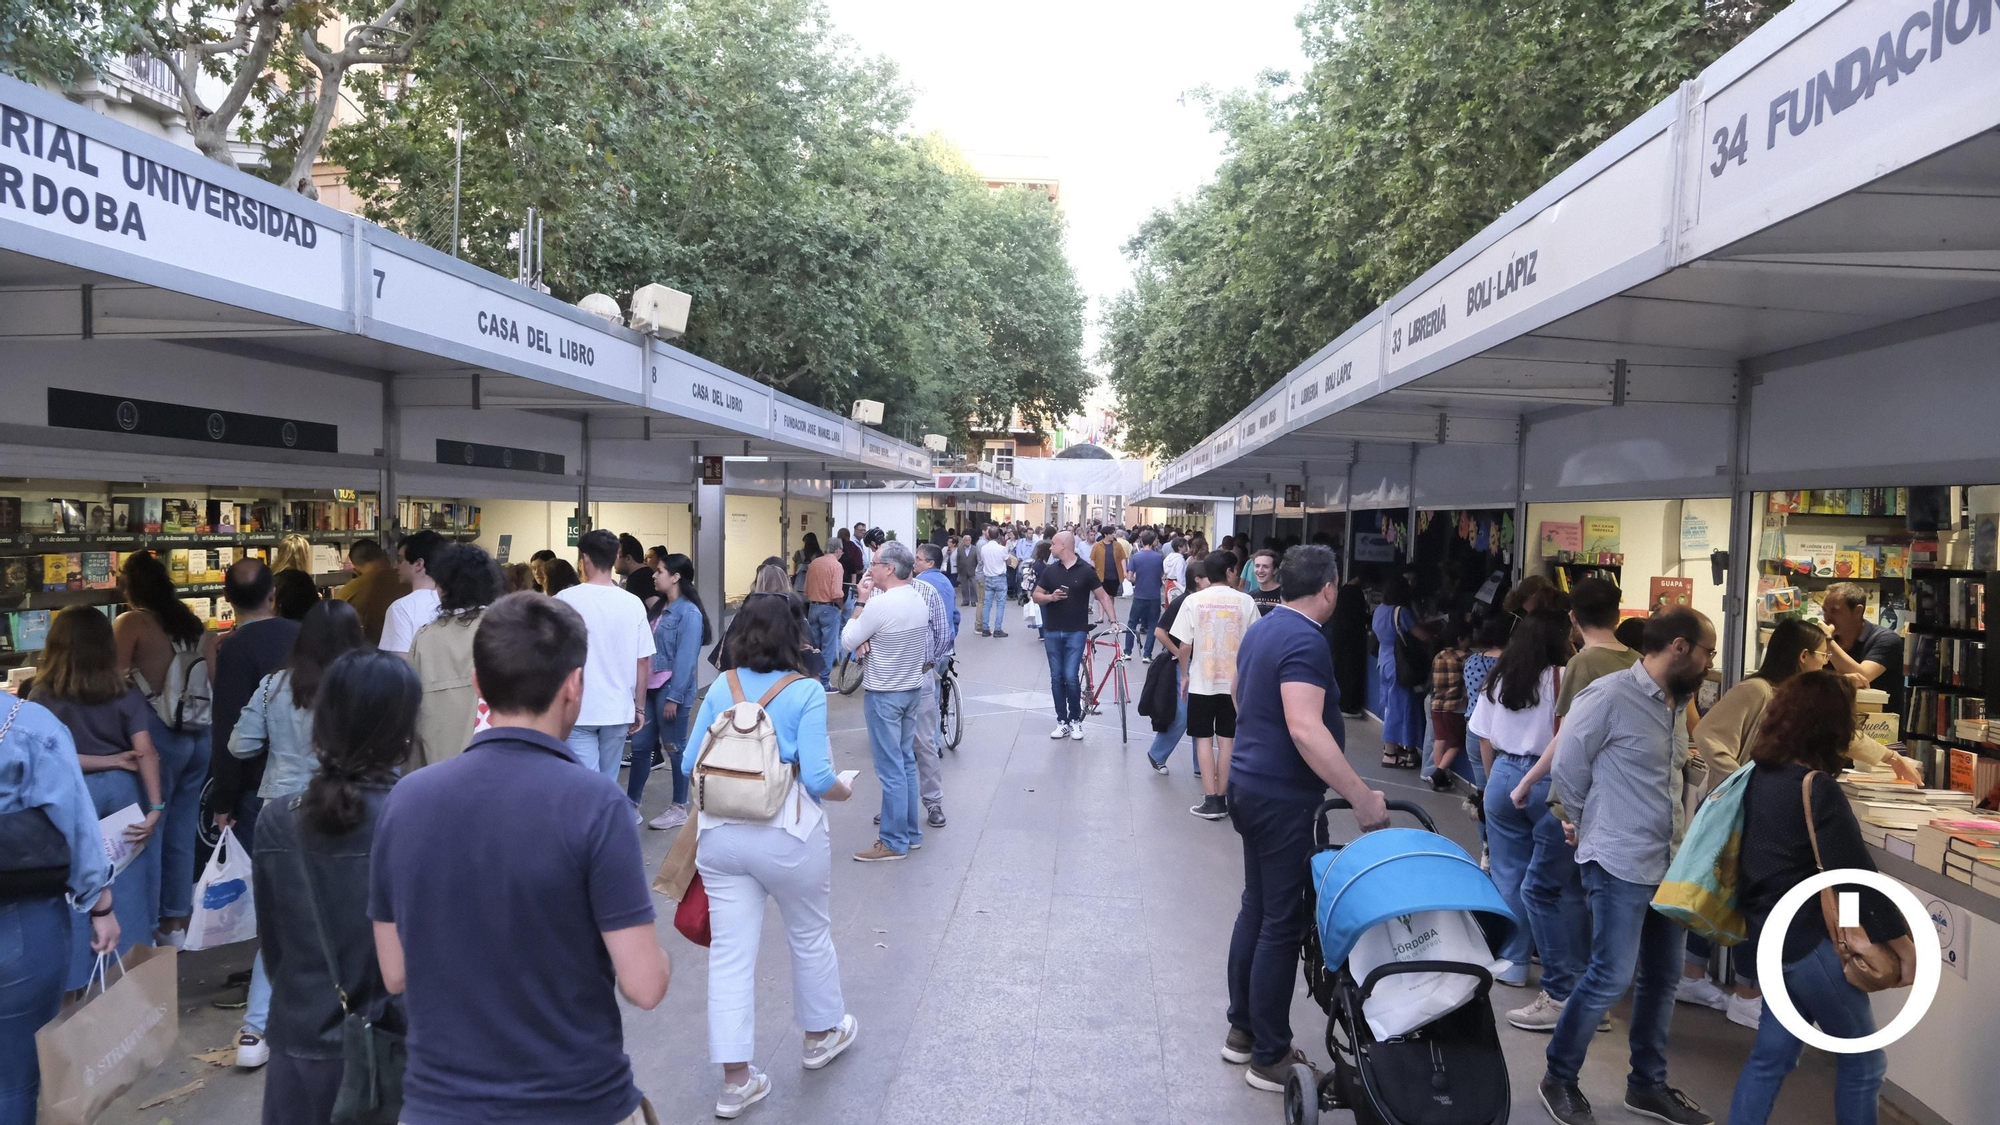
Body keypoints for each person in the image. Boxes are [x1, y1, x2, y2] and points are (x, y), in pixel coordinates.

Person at [370, 592, 670, 1125]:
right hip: (577, 1101)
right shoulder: (596, 805)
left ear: (479, 684)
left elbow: (394, 973)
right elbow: (645, 986)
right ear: (574, 684)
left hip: (440, 1105)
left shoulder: (408, 800)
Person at [1539, 607, 1718, 1125]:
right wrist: (1580, 822)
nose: (1710, 663)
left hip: (1669, 862)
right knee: (1609, 977)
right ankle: (1560, 1077)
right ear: (1680, 647)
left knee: (1662, 979)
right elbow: (1568, 766)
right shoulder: (1610, 695)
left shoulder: (1677, 703)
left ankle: (1647, 1086)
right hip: (1617, 859)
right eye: (1708, 651)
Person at [1222, 545, 1390, 1093]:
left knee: (1258, 907)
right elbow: (1305, 727)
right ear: (1328, 589)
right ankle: (1270, 1055)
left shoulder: (1263, 628)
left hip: (1249, 786)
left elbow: (1240, 697)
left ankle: (1243, 1030)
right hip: (1281, 798)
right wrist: (1362, 796)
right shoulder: (1305, 639)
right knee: (1281, 922)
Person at [685, 597, 859, 1116]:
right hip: (788, 836)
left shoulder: (721, 686)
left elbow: (692, 760)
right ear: (795, 636)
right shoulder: (806, 691)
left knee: (731, 956)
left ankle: (736, 1081)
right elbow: (820, 778)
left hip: (720, 837)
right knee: (808, 934)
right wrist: (845, 790)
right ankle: (820, 1037)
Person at [1725, 671, 1901, 1125]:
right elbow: (1854, 875)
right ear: (1832, 725)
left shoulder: (1757, 775)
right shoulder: (1816, 786)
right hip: (1810, 944)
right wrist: (1894, 938)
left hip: (1768, 937)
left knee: (1771, 1058)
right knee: (1864, 1063)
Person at [253, 650, 413, 1125]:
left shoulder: (277, 821)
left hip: (300, 1042)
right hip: (396, 1045)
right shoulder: (417, 818)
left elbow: (274, 944)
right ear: (402, 729)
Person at [0, 685, 117, 1122]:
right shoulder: (27, 725)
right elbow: (77, 828)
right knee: (11, 1082)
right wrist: (100, 905)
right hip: (18, 920)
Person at [30, 607, 163, 991]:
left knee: (80, 884)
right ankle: (129, 971)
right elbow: (145, 752)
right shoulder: (124, 691)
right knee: (130, 883)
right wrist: (155, 808)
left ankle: (74, 981)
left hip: (74, 794)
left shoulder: (42, 695)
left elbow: (52, 755)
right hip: (125, 792)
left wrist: (98, 761)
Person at [1467, 611, 1574, 999]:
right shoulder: (1564, 679)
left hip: (1504, 773)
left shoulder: (1499, 677)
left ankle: (1511, 963)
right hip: (1550, 780)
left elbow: (1480, 735)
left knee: (1508, 873)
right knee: (1548, 880)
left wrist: (1496, 778)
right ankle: (1555, 967)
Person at [112, 549, 214, 945]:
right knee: (182, 831)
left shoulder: (132, 622)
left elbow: (110, 681)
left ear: (130, 586)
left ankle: (149, 925)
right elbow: (212, 683)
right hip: (198, 736)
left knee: (148, 830)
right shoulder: (195, 625)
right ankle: (177, 923)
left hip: (156, 738)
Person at [841, 541, 932, 861]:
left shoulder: (880, 605)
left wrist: (861, 602)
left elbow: (847, 639)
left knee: (890, 768)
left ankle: (892, 841)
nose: (870, 568)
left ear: (890, 568)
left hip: (884, 693)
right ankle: (910, 833)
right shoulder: (917, 599)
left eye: (876, 563)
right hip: (911, 689)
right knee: (906, 763)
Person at [229, 600, 368, 803]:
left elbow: (239, 745)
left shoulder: (274, 684)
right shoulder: (366, 683)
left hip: (282, 798)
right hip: (346, 799)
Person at [209, 559, 303, 852]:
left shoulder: (234, 648)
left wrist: (223, 799)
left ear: (226, 597)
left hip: (258, 785)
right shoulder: (303, 634)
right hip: (307, 773)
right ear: (272, 594)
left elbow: (229, 726)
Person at [555, 529, 656, 779]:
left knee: (585, 781)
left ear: (585, 559)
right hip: (618, 708)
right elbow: (642, 660)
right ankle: (610, 818)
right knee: (609, 779)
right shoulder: (632, 603)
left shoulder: (564, 600)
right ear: (614, 559)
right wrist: (640, 708)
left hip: (578, 708)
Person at [1171, 553, 1260, 820]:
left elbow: (1185, 645)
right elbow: (1254, 642)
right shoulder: (1246, 602)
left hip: (1202, 681)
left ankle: (1211, 801)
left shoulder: (1193, 601)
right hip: (1234, 684)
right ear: (1231, 571)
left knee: (1203, 739)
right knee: (1228, 739)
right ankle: (1224, 796)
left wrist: (1185, 674)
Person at [406, 544, 503, 770]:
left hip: (439, 773)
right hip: (496, 769)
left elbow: (412, 714)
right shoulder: (504, 630)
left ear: (442, 587)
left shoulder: (425, 638)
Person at [642, 554, 710, 830]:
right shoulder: (659, 607)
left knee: (674, 748)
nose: (654, 575)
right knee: (641, 746)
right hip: (649, 687)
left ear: (676, 577)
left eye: (659, 571)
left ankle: (679, 806)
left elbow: (685, 659)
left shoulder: (689, 613)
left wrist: (675, 697)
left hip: (670, 689)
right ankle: (632, 802)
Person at [1032, 531, 1118, 742]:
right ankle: (1061, 721)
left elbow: (1103, 596)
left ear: (1063, 546)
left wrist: (1114, 621)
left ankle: (1075, 720)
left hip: (1076, 631)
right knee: (1056, 677)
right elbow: (1036, 595)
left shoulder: (1086, 571)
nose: (1050, 548)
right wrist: (1051, 597)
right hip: (1052, 630)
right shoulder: (1051, 570)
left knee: (1070, 676)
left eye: (1053, 544)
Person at [1145, 557, 1210, 775]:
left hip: (1199, 663)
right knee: (1182, 715)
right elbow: (1159, 631)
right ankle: (1157, 753)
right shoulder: (1183, 602)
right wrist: (1179, 655)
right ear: (1198, 580)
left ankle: (1200, 765)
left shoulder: (1203, 601)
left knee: (1199, 715)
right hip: (1184, 664)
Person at [911, 544, 958, 829]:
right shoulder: (945, 582)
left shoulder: (925, 586)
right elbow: (951, 623)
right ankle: (933, 803)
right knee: (926, 737)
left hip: (918, 670)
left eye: (918, 559)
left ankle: (911, 803)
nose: (915, 564)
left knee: (912, 741)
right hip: (935, 660)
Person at [1821, 580, 1905, 715]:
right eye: (1824, 610)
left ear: (1858, 611)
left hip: (1878, 727)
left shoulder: (1887, 639)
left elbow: (1863, 677)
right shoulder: (1825, 640)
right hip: (1834, 721)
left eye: (1835, 611)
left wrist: (1828, 640)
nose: (1827, 618)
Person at [1371, 576, 1427, 769]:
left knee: (1389, 706)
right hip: (1400, 665)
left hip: (1383, 662)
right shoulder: (1401, 612)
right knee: (1402, 708)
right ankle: (1391, 752)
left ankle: (1399, 748)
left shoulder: (1379, 610)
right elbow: (1421, 635)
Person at [378, 530, 444, 655]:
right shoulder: (457, 601)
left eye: (400, 560)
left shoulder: (401, 609)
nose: (395, 566)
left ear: (419, 564)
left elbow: (398, 665)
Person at [332, 539, 410, 644]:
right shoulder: (408, 581)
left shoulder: (348, 591)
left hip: (368, 654)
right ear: (385, 557)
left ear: (356, 570)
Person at [1428, 619, 1472, 791]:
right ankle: (1438, 773)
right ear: (1461, 639)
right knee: (1455, 743)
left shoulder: (1438, 656)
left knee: (1440, 739)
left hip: (1436, 704)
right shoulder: (1465, 658)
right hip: (1454, 706)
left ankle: (1439, 775)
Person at [803, 541, 847, 692]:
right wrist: (842, 607)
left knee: (813, 646)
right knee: (828, 647)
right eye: (842, 551)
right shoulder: (836, 566)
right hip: (829, 608)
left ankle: (811, 678)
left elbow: (806, 590)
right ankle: (823, 683)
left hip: (813, 607)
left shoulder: (814, 563)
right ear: (838, 550)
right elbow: (836, 593)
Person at [1123, 530, 1166, 661]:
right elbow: (1162, 575)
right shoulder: (1159, 557)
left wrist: (1139, 578)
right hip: (1154, 595)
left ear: (1142, 541)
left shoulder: (1136, 557)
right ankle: (1147, 654)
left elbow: (1129, 577)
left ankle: (1127, 652)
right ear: (1153, 542)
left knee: (1132, 623)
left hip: (1139, 594)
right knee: (1153, 624)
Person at [977, 527, 1010, 637]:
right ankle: (997, 628)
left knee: (987, 604)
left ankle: (985, 628)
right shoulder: (1002, 548)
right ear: (998, 536)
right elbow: (1008, 561)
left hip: (988, 577)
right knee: (1000, 604)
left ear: (989, 535)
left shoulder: (984, 548)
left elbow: (983, 560)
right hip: (999, 577)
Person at [615, 533, 657, 612]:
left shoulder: (641, 578)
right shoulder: (642, 575)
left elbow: (656, 611)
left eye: (616, 556)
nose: (613, 561)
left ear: (628, 558)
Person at [1246, 549, 1282, 614]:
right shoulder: (1250, 597)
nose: (1260, 570)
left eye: (1265, 566)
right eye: (1257, 566)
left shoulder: (1285, 595)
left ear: (1275, 570)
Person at [953, 532, 979, 608]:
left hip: (972, 570)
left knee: (973, 586)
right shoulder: (960, 549)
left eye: (969, 540)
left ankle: (974, 600)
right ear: (963, 541)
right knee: (964, 587)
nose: (967, 542)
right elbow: (958, 559)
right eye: (966, 540)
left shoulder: (975, 549)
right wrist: (958, 570)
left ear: (970, 541)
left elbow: (977, 560)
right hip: (963, 570)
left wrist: (977, 569)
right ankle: (965, 600)